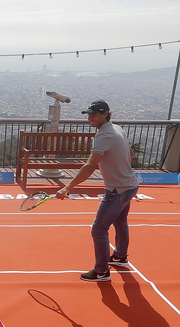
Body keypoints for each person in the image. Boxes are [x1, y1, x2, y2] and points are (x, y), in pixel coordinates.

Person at [56, 100, 139, 282]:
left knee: (99, 229)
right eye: (89, 114)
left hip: (117, 189)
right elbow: (130, 154)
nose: (90, 118)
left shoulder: (104, 136)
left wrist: (68, 187)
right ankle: (120, 257)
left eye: (94, 114)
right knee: (120, 221)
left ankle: (102, 271)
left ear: (106, 114)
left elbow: (90, 165)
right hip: (130, 185)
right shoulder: (118, 129)